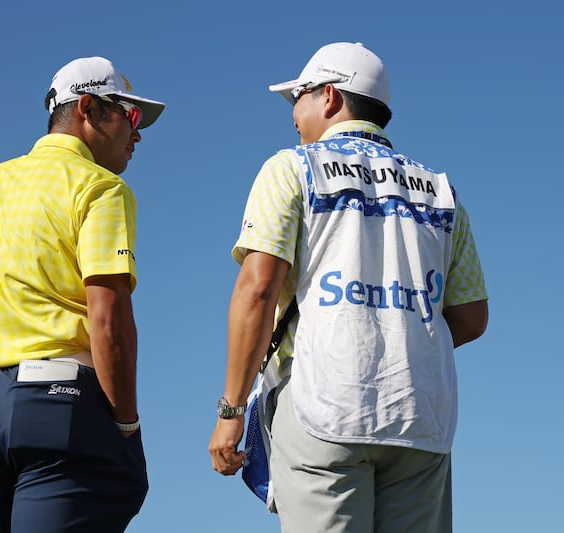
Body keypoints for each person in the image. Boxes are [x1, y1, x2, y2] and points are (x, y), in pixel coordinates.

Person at [209, 42, 488, 533]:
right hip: (421, 412)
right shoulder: (441, 191)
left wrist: (231, 410)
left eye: (299, 96)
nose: (294, 113)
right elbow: (470, 316)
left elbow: (258, 291)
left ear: (330, 97)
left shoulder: (293, 167)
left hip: (324, 401)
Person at [0, 56, 165, 533]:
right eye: (130, 116)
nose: (138, 134)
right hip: (60, 404)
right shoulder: (99, 188)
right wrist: (126, 426)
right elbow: (107, 318)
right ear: (88, 109)